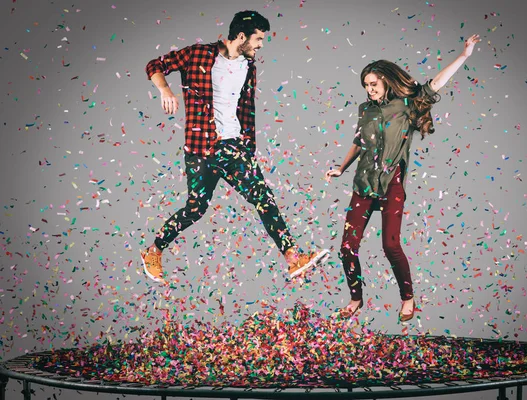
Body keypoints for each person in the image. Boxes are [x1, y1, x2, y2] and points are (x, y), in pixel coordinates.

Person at [141, 10, 329, 284]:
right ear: (241, 36)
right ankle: (154, 250)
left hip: (234, 146)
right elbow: (154, 65)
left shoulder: (248, 66)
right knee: (195, 209)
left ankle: (292, 258)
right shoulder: (197, 54)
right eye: (258, 39)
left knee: (263, 198)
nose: (260, 45)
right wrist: (165, 90)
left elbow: (245, 108)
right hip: (200, 148)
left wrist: (247, 145)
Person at [325, 34, 481, 322]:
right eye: (366, 85)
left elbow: (435, 84)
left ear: (386, 81)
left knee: (391, 246)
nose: (369, 89)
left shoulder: (407, 105)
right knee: (346, 247)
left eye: (373, 84)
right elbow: (359, 142)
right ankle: (355, 299)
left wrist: (464, 56)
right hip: (363, 185)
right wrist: (341, 168)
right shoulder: (365, 110)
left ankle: (407, 297)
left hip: (391, 185)